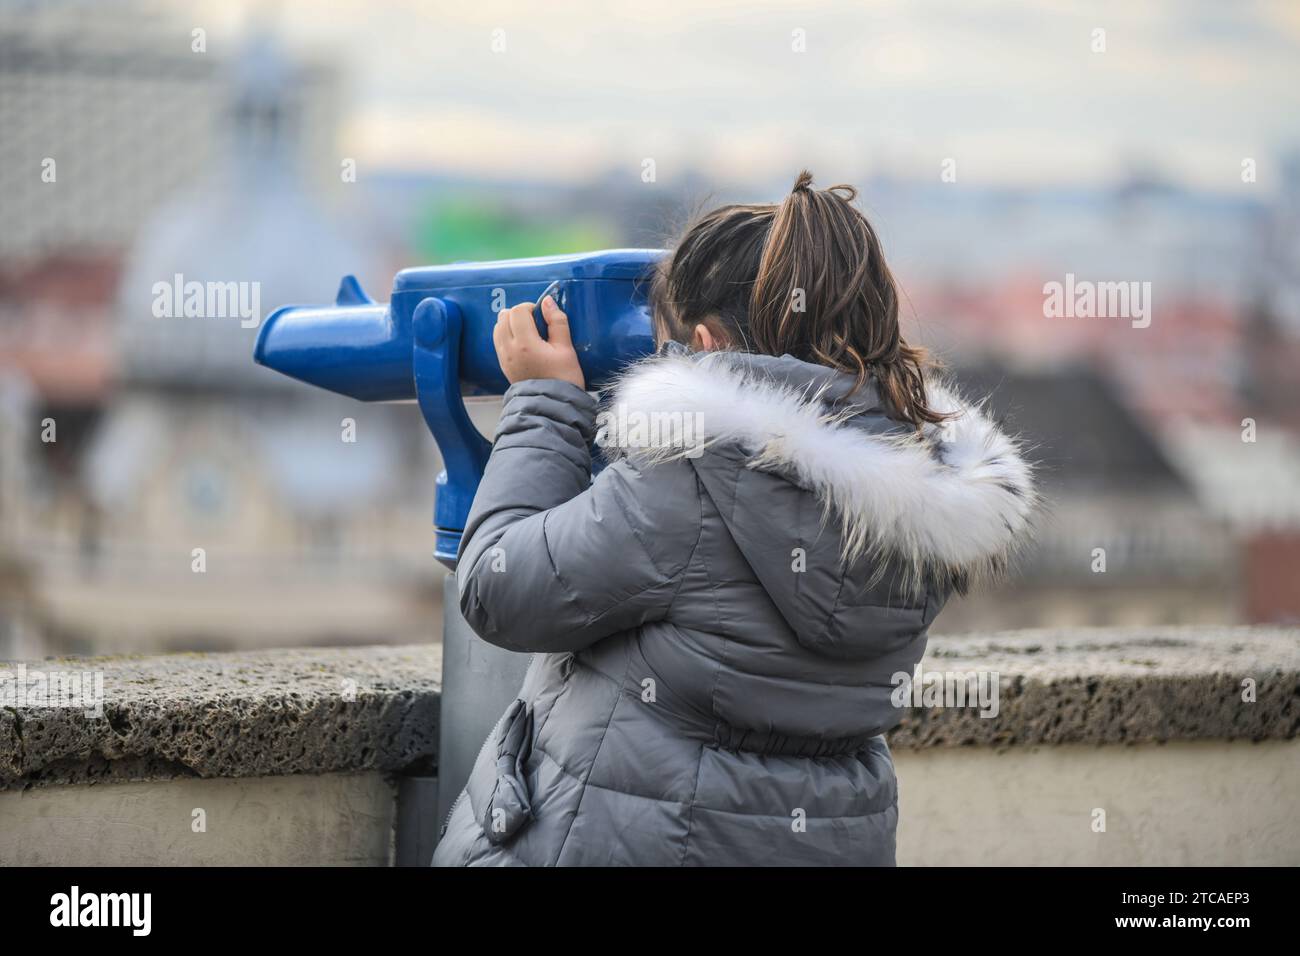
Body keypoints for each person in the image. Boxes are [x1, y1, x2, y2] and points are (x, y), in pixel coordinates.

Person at [432, 171, 1036, 866]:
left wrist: (543, 404)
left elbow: (497, 589)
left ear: (706, 345)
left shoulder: (688, 481)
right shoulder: (923, 501)